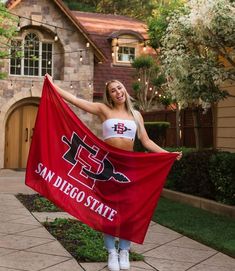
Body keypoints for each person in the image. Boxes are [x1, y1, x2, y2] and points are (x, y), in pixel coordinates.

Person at [46, 75, 182, 271]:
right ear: (109, 96)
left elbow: (146, 141)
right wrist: (53, 85)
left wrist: (167, 154)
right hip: (107, 166)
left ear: (125, 91)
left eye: (120, 88)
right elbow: (77, 101)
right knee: (107, 209)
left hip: (129, 167)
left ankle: (124, 250)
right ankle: (111, 252)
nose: (118, 92)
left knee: (129, 211)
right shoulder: (104, 110)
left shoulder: (136, 115)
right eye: (113, 91)